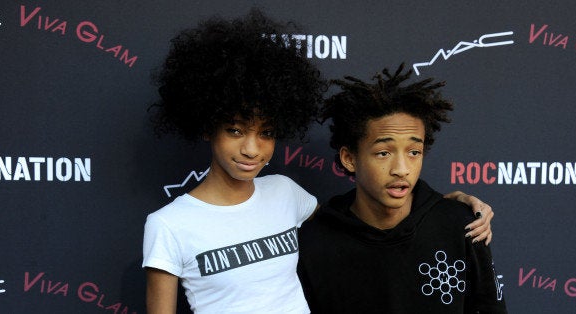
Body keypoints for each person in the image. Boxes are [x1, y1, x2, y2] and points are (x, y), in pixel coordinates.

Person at [142, 10, 494, 314]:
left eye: (265, 133)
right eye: (235, 130)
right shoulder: (168, 226)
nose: (251, 149)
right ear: (207, 127)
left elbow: (356, 223)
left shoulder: (285, 193)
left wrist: (451, 203)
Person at [297, 64, 508, 313]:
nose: (401, 169)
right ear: (349, 158)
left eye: (414, 152)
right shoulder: (315, 240)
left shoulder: (463, 225)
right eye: (384, 153)